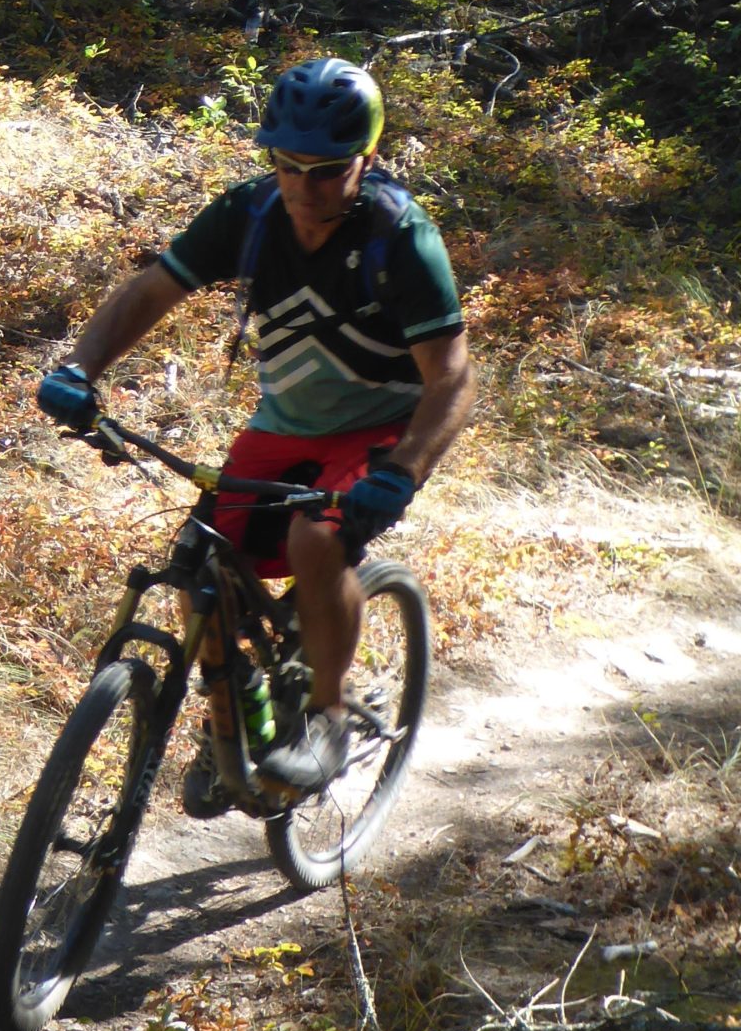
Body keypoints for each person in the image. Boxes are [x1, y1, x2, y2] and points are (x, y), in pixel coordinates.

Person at [37, 55, 474, 803]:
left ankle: (329, 718)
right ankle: (233, 719)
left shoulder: (399, 237)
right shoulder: (248, 213)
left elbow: (453, 381)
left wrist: (400, 473)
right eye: (288, 165)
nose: (304, 187)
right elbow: (152, 289)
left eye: (329, 170)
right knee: (198, 558)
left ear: (366, 159)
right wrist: (79, 369)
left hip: (379, 427)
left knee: (317, 537)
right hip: (285, 423)